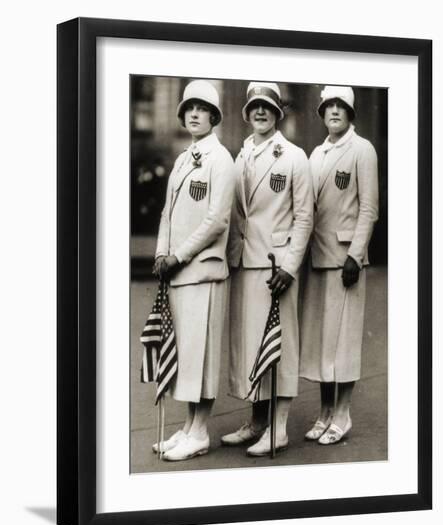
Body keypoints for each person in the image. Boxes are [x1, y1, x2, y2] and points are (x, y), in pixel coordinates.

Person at [221, 82, 313, 456]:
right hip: (245, 261)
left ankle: (279, 428)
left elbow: (305, 217)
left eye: (268, 107)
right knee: (251, 347)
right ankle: (257, 421)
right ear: (247, 113)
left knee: (281, 345)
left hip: (276, 265)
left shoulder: (293, 156)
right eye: (254, 106)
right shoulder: (240, 156)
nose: (260, 112)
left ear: (278, 113)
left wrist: (290, 267)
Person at [152, 80, 235, 461]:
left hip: (202, 269)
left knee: (201, 353)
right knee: (186, 352)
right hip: (178, 271)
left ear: (214, 117)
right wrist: (160, 253)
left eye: (203, 109)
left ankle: (200, 431)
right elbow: (168, 213)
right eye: (189, 108)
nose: (195, 114)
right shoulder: (185, 158)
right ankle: (188, 427)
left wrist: (179, 255)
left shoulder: (221, 159)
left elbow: (217, 219)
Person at [300, 85, 379, 445]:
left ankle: (343, 414)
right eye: (328, 105)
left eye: (340, 105)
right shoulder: (316, 154)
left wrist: (355, 254)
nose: (334, 110)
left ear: (350, 113)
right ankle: (325, 412)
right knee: (321, 342)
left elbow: (368, 207)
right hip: (317, 258)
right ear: (322, 112)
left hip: (345, 259)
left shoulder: (362, 149)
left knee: (343, 341)